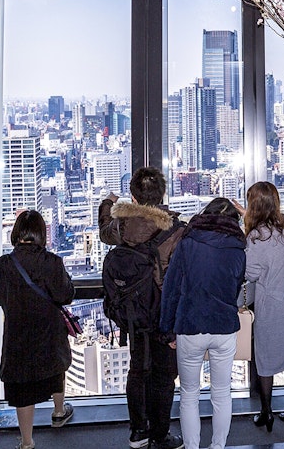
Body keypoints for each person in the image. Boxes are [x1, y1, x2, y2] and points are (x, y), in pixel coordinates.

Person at [99, 166, 186, 449]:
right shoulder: (175, 229)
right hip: (163, 312)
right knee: (163, 376)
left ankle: (138, 432)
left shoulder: (122, 226)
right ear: (161, 195)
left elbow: (103, 231)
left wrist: (108, 204)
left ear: (133, 199)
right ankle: (160, 434)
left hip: (132, 312)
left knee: (138, 370)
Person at [159, 197, 246, 449]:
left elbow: (171, 289)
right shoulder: (238, 248)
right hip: (224, 325)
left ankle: (192, 446)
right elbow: (236, 289)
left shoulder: (188, 243)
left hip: (190, 324)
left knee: (189, 394)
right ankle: (218, 446)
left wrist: (168, 331)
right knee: (221, 392)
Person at [0, 209, 75, 449]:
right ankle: (59, 412)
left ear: (16, 233)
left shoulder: (1, 265)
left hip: (17, 335)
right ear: (41, 234)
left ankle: (27, 441)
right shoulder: (52, 262)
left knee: (22, 387)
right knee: (56, 368)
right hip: (49, 331)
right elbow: (65, 295)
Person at [237, 181, 284, 430]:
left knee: (266, 358)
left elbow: (250, 272)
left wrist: (245, 226)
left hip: (272, 307)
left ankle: (266, 412)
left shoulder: (256, 238)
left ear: (253, 205)